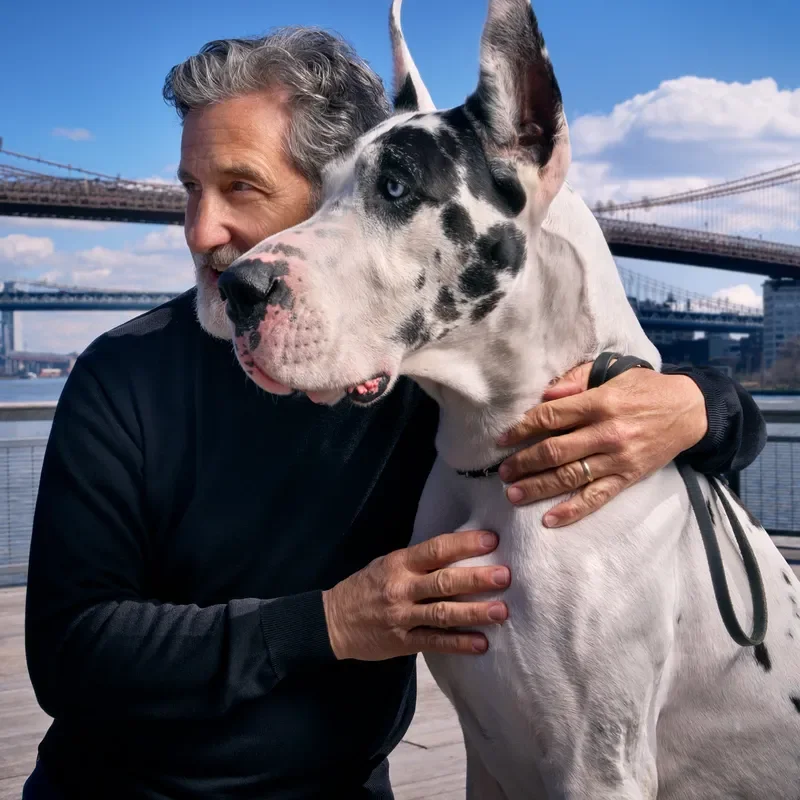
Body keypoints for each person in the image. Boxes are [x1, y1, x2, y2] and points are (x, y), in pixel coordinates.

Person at [23, 27, 766, 800]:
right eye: (189, 189)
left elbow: (574, 365)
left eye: (240, 187)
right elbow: (71, 655)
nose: (199, 230)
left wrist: (696, 405)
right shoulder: (123, 374)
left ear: (340, 186)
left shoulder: (417, 377)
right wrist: (334, 624)